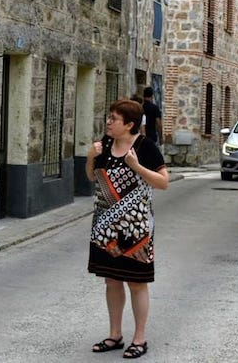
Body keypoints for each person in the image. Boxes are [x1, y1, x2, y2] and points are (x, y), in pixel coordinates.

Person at [85, 99, 169, 359]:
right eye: (108, 117)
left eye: (114, 119)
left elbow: (163, 182)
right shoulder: (104, 145)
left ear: (130, 124)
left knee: (136, 283)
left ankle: (139, 338)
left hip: (136, 230)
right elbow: (92, 176)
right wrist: (90, 157)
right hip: (104, 228)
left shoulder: (146, 147)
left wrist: (136, 167)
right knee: (111, 280)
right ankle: (115, 335)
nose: (108, 122)